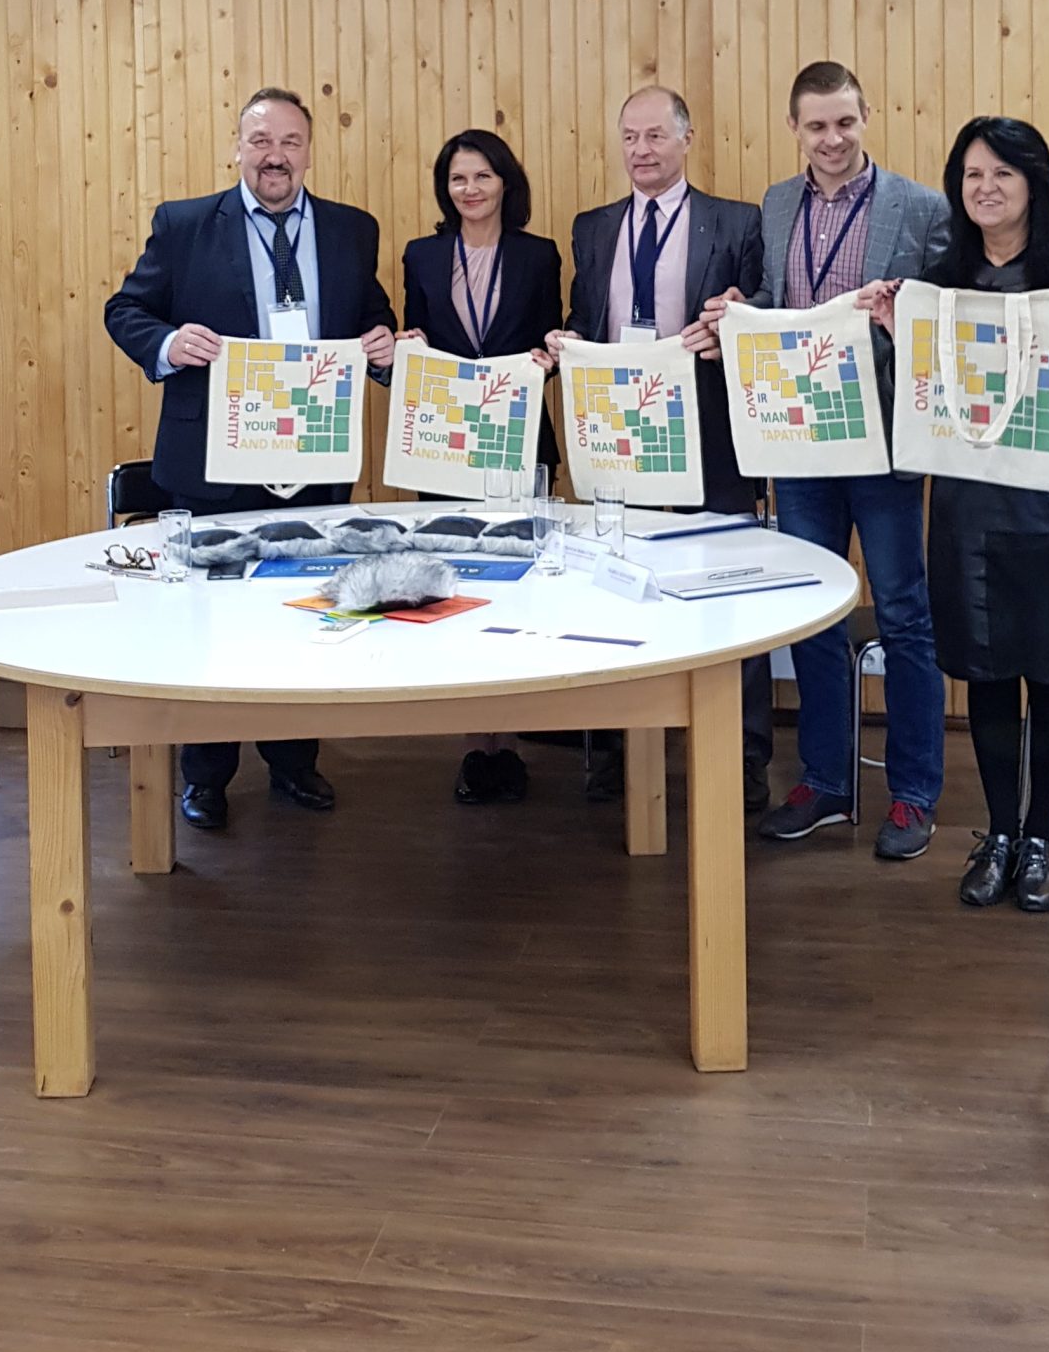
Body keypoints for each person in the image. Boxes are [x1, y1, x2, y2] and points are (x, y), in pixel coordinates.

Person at [867, 116, 1049, 912]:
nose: (985, 188)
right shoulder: (941, 283)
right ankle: (996, 834)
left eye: (1002, 174)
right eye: (972, 175)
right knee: (988, 681)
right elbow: (913, 400)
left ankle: (1038, 838)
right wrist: (896, 335)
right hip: (971, 517)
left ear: (1034, 184)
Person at [104, 86, 394, 831]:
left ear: (309, 152)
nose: (275, 156)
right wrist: (169, 343)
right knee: (212, 622)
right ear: (237, 148)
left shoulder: (352, 229)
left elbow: (372, 319)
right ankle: (205, 777)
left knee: (305, 611)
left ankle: (294, 762)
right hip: (213, 462)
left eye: (290, 142)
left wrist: (383, 344)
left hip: (315, 461)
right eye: (261, 141)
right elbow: (125, 309)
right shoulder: (184, 225)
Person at [703, 60, 949, 852]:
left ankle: (913, 794)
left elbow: (945, 318)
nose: (832, 139)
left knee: (904, 616)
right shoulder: (778, 204)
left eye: (845, 122)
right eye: (816, 125)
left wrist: (903, 318)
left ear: (866, 116)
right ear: (795, 129)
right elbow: (777, 306)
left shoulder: (920, 207)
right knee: (812, 613)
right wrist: (743, 310)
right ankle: (827, 782)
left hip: (882, 444)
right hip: (799, 442)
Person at [544, 86, 764, 803]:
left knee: (728, 592)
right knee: (615, 590)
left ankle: (743, 756)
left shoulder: (737, 222)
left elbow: (761, 317)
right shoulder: (593, 227)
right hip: (618, 435)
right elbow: (587, 316)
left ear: (686, 139)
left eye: (656, 136)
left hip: (710, 433)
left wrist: (738, 320)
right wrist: (570, 342)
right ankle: (616, 750)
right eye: (630, 137)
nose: (641, 150)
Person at [401, 129, 563, 804]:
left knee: (517, 592)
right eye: (458, 179)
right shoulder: (421, 255)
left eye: (482, 177)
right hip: (444, 446)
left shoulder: (538, 254)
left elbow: (549, 341)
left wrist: (549, 357)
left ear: (505, 183)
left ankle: (511, 744)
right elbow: (415, 336)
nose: (470, 189)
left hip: (519, 438)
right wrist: (409, 344)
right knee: (457, 593)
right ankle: (475, 746)